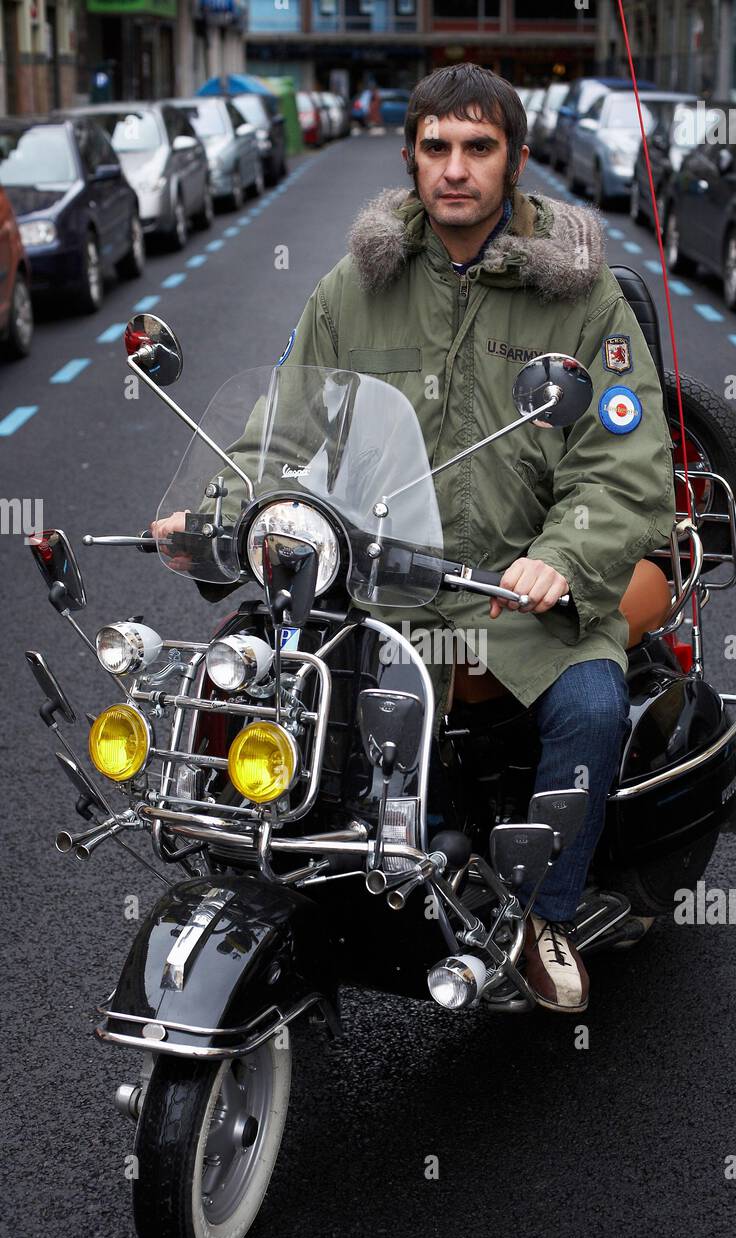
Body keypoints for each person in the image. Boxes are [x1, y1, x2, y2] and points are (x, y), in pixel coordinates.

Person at [155, 64, 676, 1013]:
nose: (456, 169)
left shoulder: (583, 298)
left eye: (479, 148)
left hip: (523, 597)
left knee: (592, 710)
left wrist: (560, 558)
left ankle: (542, 918)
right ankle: (346, 883)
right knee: (283, 682)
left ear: (514, 160)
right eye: (437, 147)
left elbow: (624, 460)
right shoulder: (355, 287)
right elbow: (281, 428)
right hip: (387, 582)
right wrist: (224, 512)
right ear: (411, 158)